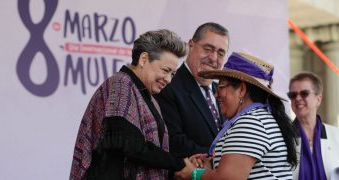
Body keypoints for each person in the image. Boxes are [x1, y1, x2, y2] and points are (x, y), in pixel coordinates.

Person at [69, 29, 188, 180]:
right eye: (166, 70)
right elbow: (130, 145)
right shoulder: (121, 83)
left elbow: (148, 151)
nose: (169, 79)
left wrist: (184, 162)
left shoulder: (148, 97)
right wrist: (179, 163)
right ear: (144, 59)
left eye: (172, 74)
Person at [175, 52, 297, 180]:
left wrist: (194, 173)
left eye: (221, 86)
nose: (216, 95)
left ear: (241, 90)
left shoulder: (250, 123)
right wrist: (212, 165)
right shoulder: (259, 119)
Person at [154, 22, 229, 159]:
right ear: (191, 45)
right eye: (208, 49)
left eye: (220, 53)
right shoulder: (167, 85)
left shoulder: (224, 92)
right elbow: (173, 142)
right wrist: (223, 159)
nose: (213, 58)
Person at [288, 72, 339, 180]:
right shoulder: (282, 137)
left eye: (304, 93)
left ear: (318, 99)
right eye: (292, 95)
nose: (297, 98)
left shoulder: (336, 135)